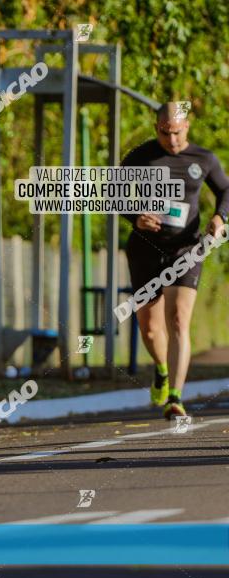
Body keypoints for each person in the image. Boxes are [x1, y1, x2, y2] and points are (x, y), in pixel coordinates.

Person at [121, 102, 229, 419]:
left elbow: (226, 189)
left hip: (186, 249)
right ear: (157, 128)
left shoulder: (203, 158)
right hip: (144, 249)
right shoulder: (140, 157)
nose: (172, 140)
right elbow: (112, 193)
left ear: (188, 126)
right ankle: (161, 368)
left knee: (179, 319)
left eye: (178, 133)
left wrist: (220, 218)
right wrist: (134, 217)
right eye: (165, 133)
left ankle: (176, 398)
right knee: (150, 329)